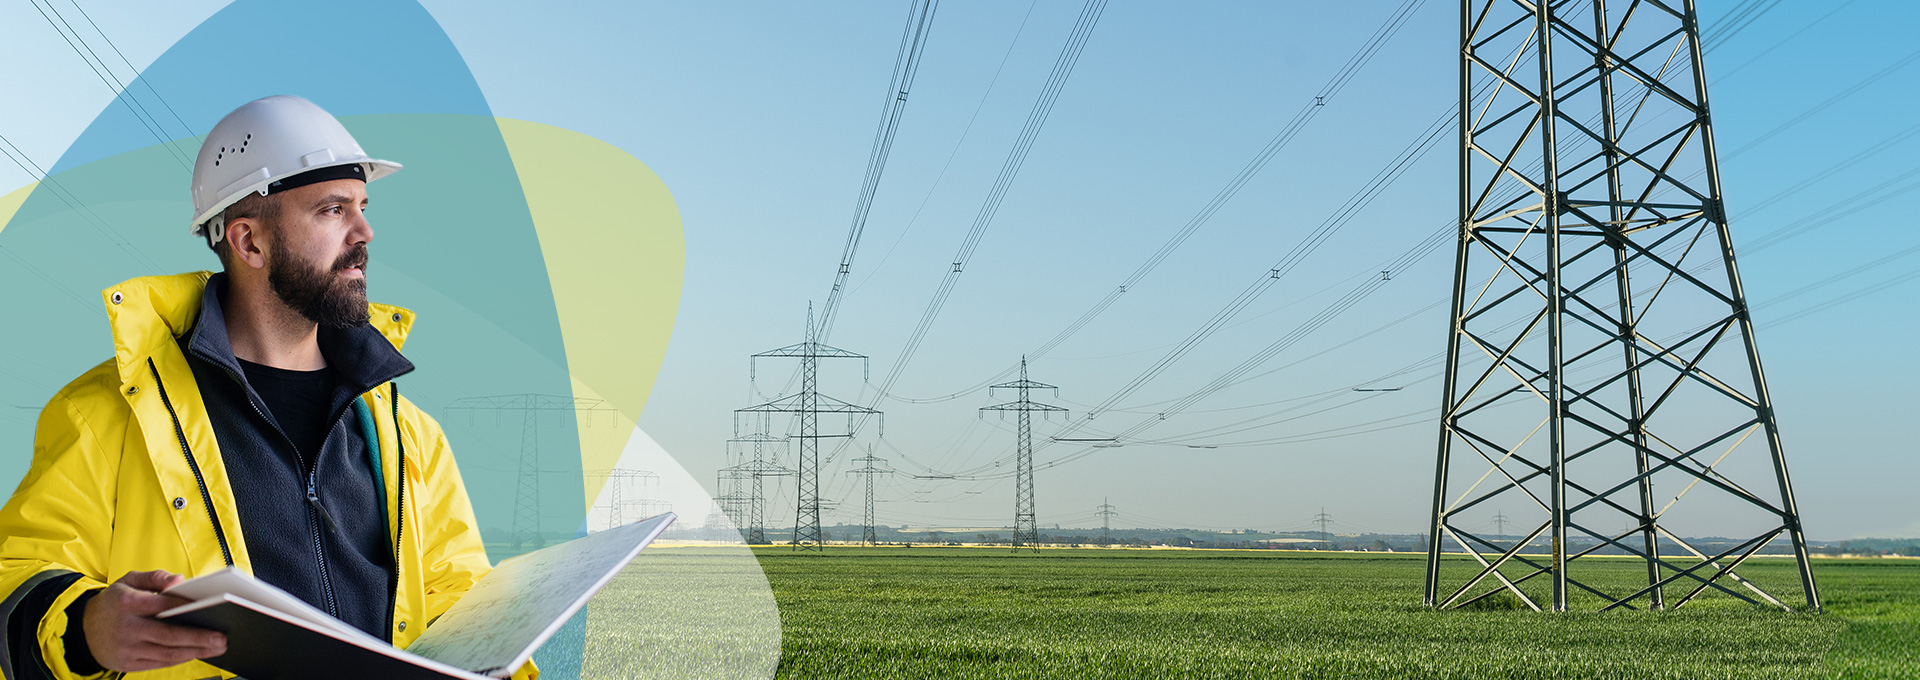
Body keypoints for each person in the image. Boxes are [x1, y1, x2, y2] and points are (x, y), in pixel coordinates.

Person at [0, 95, 531, 680]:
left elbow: (462, 597)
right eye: (332, 210)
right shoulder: (106, 416)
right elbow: (17, 577)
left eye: (362, 206)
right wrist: (84, 630)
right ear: (248, 242)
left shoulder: (410, 436)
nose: (365, 231)